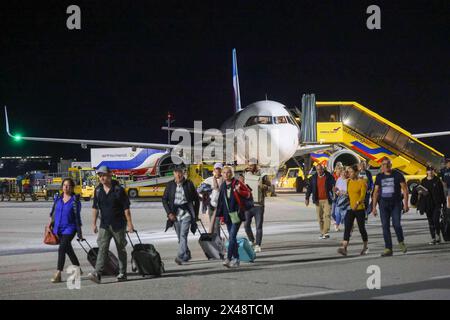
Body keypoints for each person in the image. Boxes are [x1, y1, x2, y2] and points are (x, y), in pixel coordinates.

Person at [88, 166, 135, 284]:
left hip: (118, 224)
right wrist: (93, 223)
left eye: (104, 175)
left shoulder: (118, 189)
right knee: (102, 249)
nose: (102, 177)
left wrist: (130, 224)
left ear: (110, 175)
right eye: (100, 176)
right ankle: (97, 273)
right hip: (104, 224)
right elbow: (95, 208)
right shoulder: (98, 190)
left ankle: (122, 273)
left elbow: (126, 208)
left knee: (121, 249)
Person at [162, 164, 200, 265]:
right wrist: (169, 213)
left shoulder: (189, 184)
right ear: (174, 174)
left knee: (183, 235)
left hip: (186, 213)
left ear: (183, 173)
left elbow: (196, 200)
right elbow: (164, 200)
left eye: (180, 172)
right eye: (176, 172)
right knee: (180, 237)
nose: (178, 174)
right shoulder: (170, 185)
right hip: (175, 214)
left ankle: (180, 255)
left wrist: (195, 215)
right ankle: (187, 254)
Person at [215, 166, 251, 268]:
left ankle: (229, 258)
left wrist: (239, 191)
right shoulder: (222, 186)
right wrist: (221, 217)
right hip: (227, 215)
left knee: (231, 237)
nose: (226, 174)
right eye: (224, 172)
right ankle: (236, 259)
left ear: (232, 173)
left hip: (237, 214)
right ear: (222, 174)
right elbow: (221, 202)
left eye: (229, 172)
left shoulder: (237, 183)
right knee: (233, 238)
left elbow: (248, 194)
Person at [371, 158, 409, 257]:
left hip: (396, 203)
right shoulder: (379, 177)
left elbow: (405, 190)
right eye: (383, 164)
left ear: (390, 165)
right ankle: (388, 248)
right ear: (381, 166)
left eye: (387, 164)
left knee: (397, 225)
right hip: (383, 204)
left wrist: (406, 204)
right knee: (385, 226)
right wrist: (374, 207)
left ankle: (401, 242)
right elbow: (375, 192)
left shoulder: (398, 175)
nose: (385, 166)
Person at [50, 178, 83, 283]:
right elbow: (53, 213)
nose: (66, 187)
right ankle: (78, 269)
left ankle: (58, 273)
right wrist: (50, 224)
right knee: (68, 249)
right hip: (58, 228)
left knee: (62, 249)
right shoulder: (58, 199)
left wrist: (79, 232)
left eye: (68, 185)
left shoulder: (75, 201)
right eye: (64, 185)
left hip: (70, 228)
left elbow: (77, 217)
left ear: (72, 187)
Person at [337, 165, 369, 256]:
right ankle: (344, 248)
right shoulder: (348, 181)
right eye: (348, 172)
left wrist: (357, 203)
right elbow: (347, 193)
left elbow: (362, 196)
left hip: (359, 209)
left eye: (351, 172)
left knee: (361, 228)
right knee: (347, 227)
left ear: (356, 172)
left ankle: (365, 247)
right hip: (350, 208)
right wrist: (339, 192)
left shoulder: (362, 182)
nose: (349, 174)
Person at [243, 160, 271, 252]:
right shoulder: (246, 174)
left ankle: (258, 245)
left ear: (256, 165)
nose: (250, 167)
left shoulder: (263, 175)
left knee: (258, 226)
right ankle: (252, 240)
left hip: (259, 205)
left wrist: (264, 186)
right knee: (246, 225)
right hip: (248, 204)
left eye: (252, 165)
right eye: (249, 165)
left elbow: (270, 188)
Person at [305, 163, 336, 239]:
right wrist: (307, 198)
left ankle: (326, 232)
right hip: (318, 200)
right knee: (320, 218)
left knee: (327, 215)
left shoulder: (329, 176)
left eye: (320, 169)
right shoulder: (313, 178)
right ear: (316, 170)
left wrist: (334, 188)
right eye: (318, 169)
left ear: (323, 169)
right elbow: (309, 189)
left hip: (327, 199)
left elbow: (334, 184)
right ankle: (322, 232)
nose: (319, 171)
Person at [420, 167, 446, 245]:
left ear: (433, 172)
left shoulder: (437, 180)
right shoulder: (423, 181)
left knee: (435, 220)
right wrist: (421, 193)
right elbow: (421, 192)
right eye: (429, 171)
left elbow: (442, 192)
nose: (430, 172)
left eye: (432, 171)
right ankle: (433, 238)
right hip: (427, 204)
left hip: (436, 204)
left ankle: (438, 236)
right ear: (426, 172)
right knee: (430, 222)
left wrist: (444, 203)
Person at [199, 163, 224, 235]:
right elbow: (199, 190)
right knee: (213, 224)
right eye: (217, 169)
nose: (218, 171)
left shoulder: (225, 180)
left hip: (221, 205)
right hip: (211, 205)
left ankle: (217, 240)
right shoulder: (208, 180)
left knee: (216, 224)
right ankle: (215, 239)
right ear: (214, 170)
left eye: (219, 169)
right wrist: (204, 196)